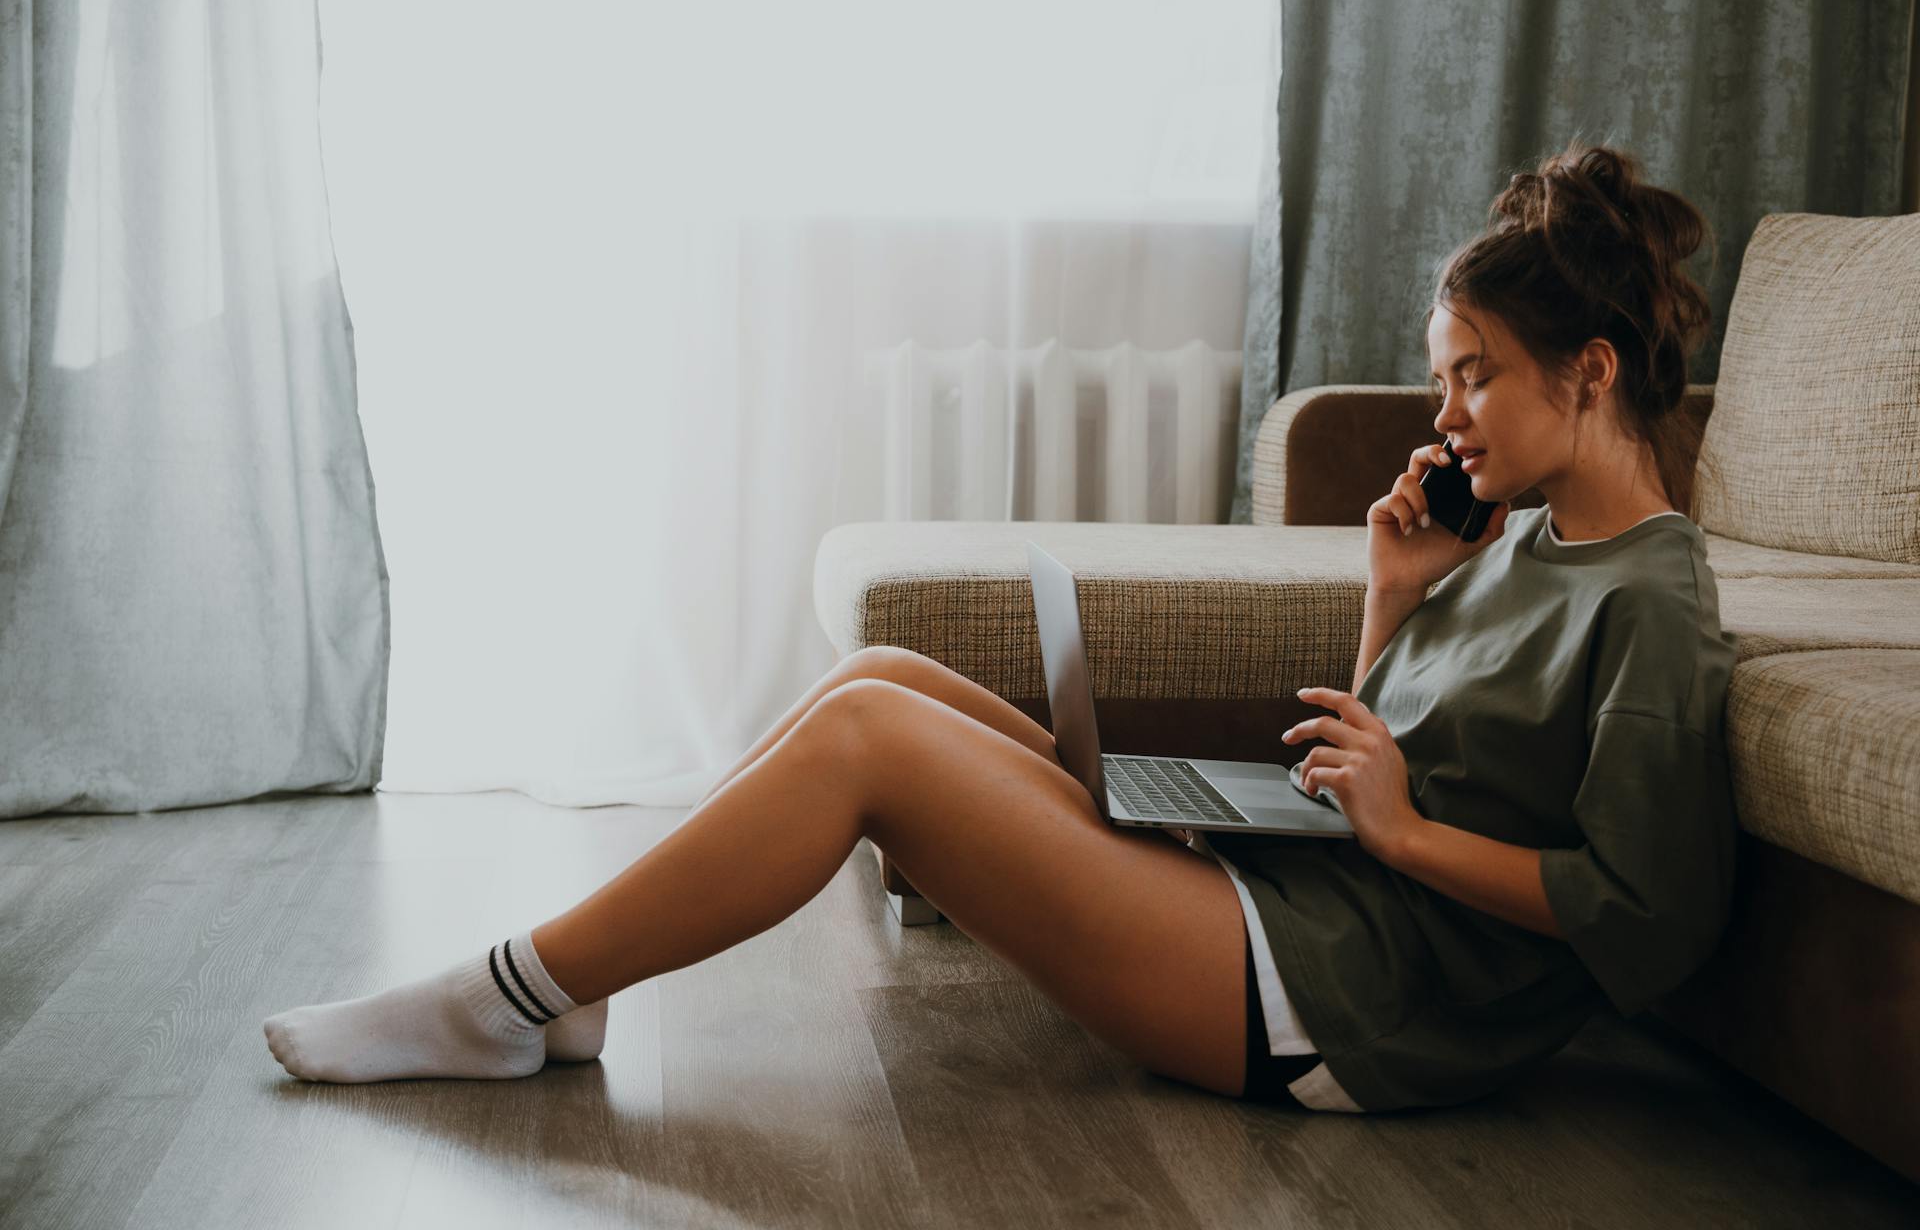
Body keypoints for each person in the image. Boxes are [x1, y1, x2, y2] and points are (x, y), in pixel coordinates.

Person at [262, 139, 1740, 1115]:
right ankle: (570, 991)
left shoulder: (1655, 607)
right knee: (886, 672)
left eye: (1474, 376)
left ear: (1590, 371)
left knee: (865, 740)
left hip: (1346, 1005)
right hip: (1309, 909)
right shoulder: (1529, 545)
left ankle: (509, 993)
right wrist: (1392, 601)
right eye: (1447, 377)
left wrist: (1409, 836)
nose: (1445, 414)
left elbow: (1650, 920)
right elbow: (1379, 756)